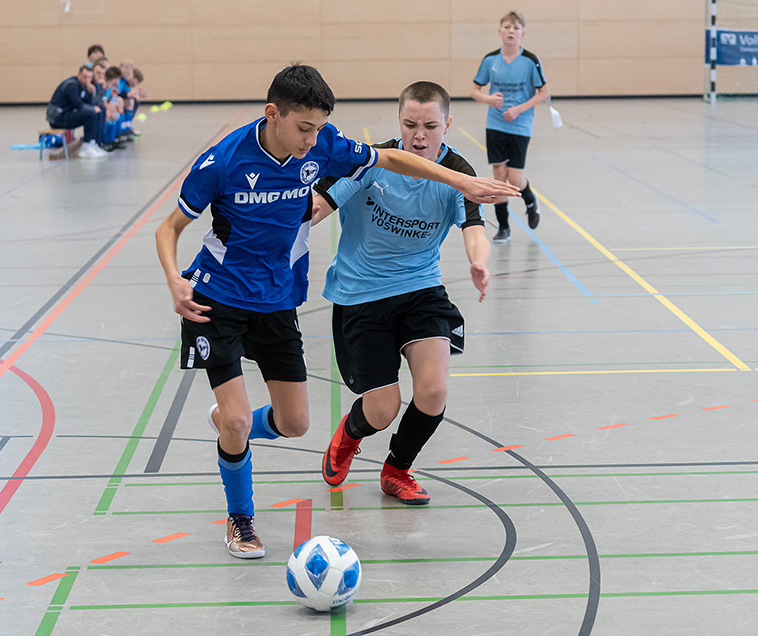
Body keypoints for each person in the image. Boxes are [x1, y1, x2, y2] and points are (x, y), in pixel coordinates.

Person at [154, 64, 516, 559]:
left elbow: (386, 158)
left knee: (296, 423)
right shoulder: (222, 161)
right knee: (241, 422)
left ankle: (233, 423)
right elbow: (168, 228)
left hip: (280, 298)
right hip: (217, 297)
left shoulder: (324, 144)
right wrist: (175, 278)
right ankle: (241, 519)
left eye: (319, 128)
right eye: (304, 128)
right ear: (273, 114)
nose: (312, 139)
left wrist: (466, 188)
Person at [313, 81, 490, 505]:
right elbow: (320, 205)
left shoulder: (457, 172)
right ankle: (349, 435)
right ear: (399, 122)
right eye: (410, 124)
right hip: (361, 293)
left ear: (448, 124)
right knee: (382, 409)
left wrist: (478, 261)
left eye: (430, 125)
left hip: (420, 288)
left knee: (433, 391)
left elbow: (474, 226)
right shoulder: (371, 163)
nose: (419, 135)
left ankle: (397, 469)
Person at [472, 10, 550, 242]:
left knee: (514, 179)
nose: (511, 31)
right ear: (500, 31)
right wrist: (488, 100)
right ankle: (503, 227)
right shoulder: (490, 60)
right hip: (495, 124)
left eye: (515, 28)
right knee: (498, 177)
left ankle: (529, 200)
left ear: (522, 33)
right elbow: (474, 90)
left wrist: (518, 109)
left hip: (520, 125)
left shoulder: (530, 61)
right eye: (507, 27)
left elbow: (544, 93)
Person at [46, 65, 108, 159]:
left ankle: (94, 143)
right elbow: (79, 105)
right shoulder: (72, 85)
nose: (87, 80)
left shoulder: (84, 86)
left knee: (100, 111)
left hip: (68, 114)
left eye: (89, 77)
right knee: (91, 114)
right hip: (58, 118)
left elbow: (90, 104)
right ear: (79, 74)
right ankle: (86, 147)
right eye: (85, 77)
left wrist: (92, 93)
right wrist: (92, 109)